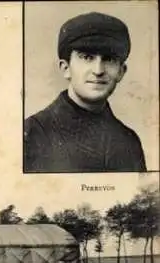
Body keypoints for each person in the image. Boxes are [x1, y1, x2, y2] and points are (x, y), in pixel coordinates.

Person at [23, 12, 147, 173]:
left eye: (108, 59)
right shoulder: (32, 134)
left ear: (121, 71)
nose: (98, 70)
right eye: (87, 57)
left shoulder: (129, 141)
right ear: (65, 68)